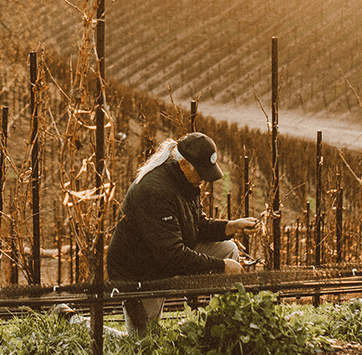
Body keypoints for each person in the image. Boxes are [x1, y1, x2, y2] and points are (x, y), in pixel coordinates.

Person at [106, 132, 257, 336]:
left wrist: (231, 226)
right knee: (143, 342)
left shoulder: (186, 181)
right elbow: (172, 256)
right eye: (201, 172)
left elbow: (195, 225)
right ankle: (75, 320)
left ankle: (222, 327)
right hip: (139, 271)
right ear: (184, 164)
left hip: (162, 256)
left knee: (227, 249)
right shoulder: (156, 192)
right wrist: (220, 266)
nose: (204, 179)